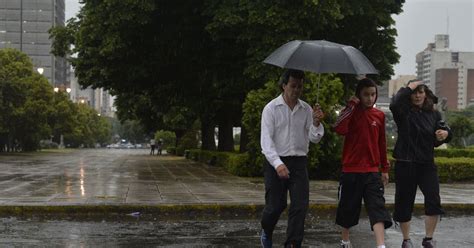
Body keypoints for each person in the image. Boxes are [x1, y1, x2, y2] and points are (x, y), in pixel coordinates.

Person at [260, 69, 325, 248]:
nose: (296, 90)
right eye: (293, 86)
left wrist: (317, 123)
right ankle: (266, 230)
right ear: (284, 85)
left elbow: (314, 137)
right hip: (275, 162)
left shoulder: (306, 109)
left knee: (300, 206)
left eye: (300, 87)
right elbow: (266, 142)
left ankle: (293, 244)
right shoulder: (271, 109)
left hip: (298, 162)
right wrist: (278, 163)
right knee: (275, 206)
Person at [390, 80, 452, 248]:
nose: (417, 95)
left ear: (426, 94)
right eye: (414, 92)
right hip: (405, 162)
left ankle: (429, 238)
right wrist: (408, 87)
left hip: (426, 164)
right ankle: (406, 239)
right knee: (404, 202)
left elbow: (444, 130)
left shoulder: (433, 113)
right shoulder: (402, 111)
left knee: (433, 199)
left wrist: (445, 134)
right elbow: (394, 104)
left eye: (421, 92)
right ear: (409, 94)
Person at [333, 78, 392, 248]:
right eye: (366, 94)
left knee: (377, 207)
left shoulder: (379, 115)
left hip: (372, 171)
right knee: (347, 207)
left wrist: (384, 169)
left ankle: (381, 245)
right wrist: (351, 106)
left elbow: (382, 143)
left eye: (373, 94)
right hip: (351, 170)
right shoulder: (350, 112)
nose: (370, 98)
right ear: (359, 94)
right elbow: (339, 128)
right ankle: (345, 240)